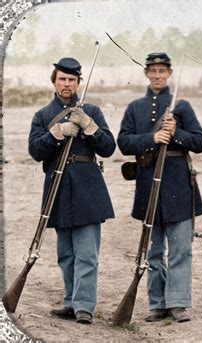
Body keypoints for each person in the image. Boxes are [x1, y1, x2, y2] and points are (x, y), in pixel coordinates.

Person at [117, 52, 202, 323]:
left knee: (180, 249)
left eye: (162, 71)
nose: (157, 75)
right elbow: (123, 142)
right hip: (148, 183)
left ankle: (178, 303)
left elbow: (201, 142)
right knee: (153, 249)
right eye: (153, 71)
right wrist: (152, 137)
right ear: (146, 73)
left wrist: (176, 133)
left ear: (169, 74)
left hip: (178, 183)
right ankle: (157, 303)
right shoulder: (135, 107)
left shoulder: (182, 105)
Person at [28, 57, 116, 324]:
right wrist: (56, 133)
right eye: (62, 79)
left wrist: (90, 127)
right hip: (59, 187)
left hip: (88, 188)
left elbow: (108, 148)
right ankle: (70, 301)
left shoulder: (92, 111)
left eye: (72, 80)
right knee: (65, 253)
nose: (67, 84)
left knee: (87, 253)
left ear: (79, 82)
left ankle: (84, 306)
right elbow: (35, 151)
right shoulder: (43, 116)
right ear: (54, 81)